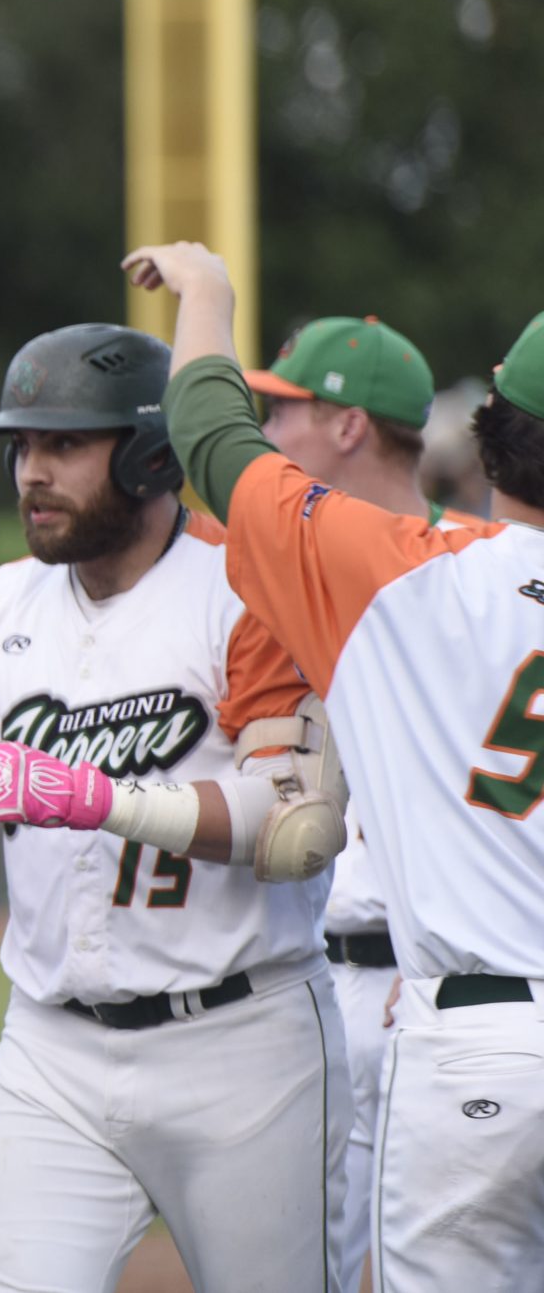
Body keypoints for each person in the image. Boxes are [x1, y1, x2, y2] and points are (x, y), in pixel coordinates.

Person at [0, 323, 348, 1293]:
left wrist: (101, 798)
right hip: (52, 1048)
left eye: (64, 444)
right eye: (21, 446)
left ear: (153, 452)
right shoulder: (2, 602)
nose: (32, 470)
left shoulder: (243, 582)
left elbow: (295, 823)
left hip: (242, 1044)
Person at [129, 242, 544, 1293]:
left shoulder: (401, 579)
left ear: (492, 437)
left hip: (478, 1039)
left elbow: (210, 435)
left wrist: (210, 296)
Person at [243, 313, 461, 1292]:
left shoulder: (479, 571)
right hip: (313, 984)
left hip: (439, 985)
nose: (269, 429)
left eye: (287, 407)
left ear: (348, 427)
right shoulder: (280, 569)